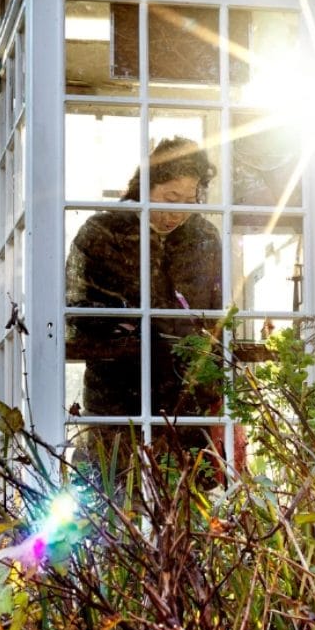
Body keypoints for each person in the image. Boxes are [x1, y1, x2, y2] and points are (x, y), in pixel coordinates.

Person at [65, 137, 224, 476]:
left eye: (189, 200)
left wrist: (215, 382)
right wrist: (116, 324)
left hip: (185, 395)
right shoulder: (102, 233)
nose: (176, 212)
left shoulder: (205, 238)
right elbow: (75, 306)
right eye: (170, 198)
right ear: (145, 186)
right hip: (116, 393)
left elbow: (216, 314)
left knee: (183, 497)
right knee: (113, 488)